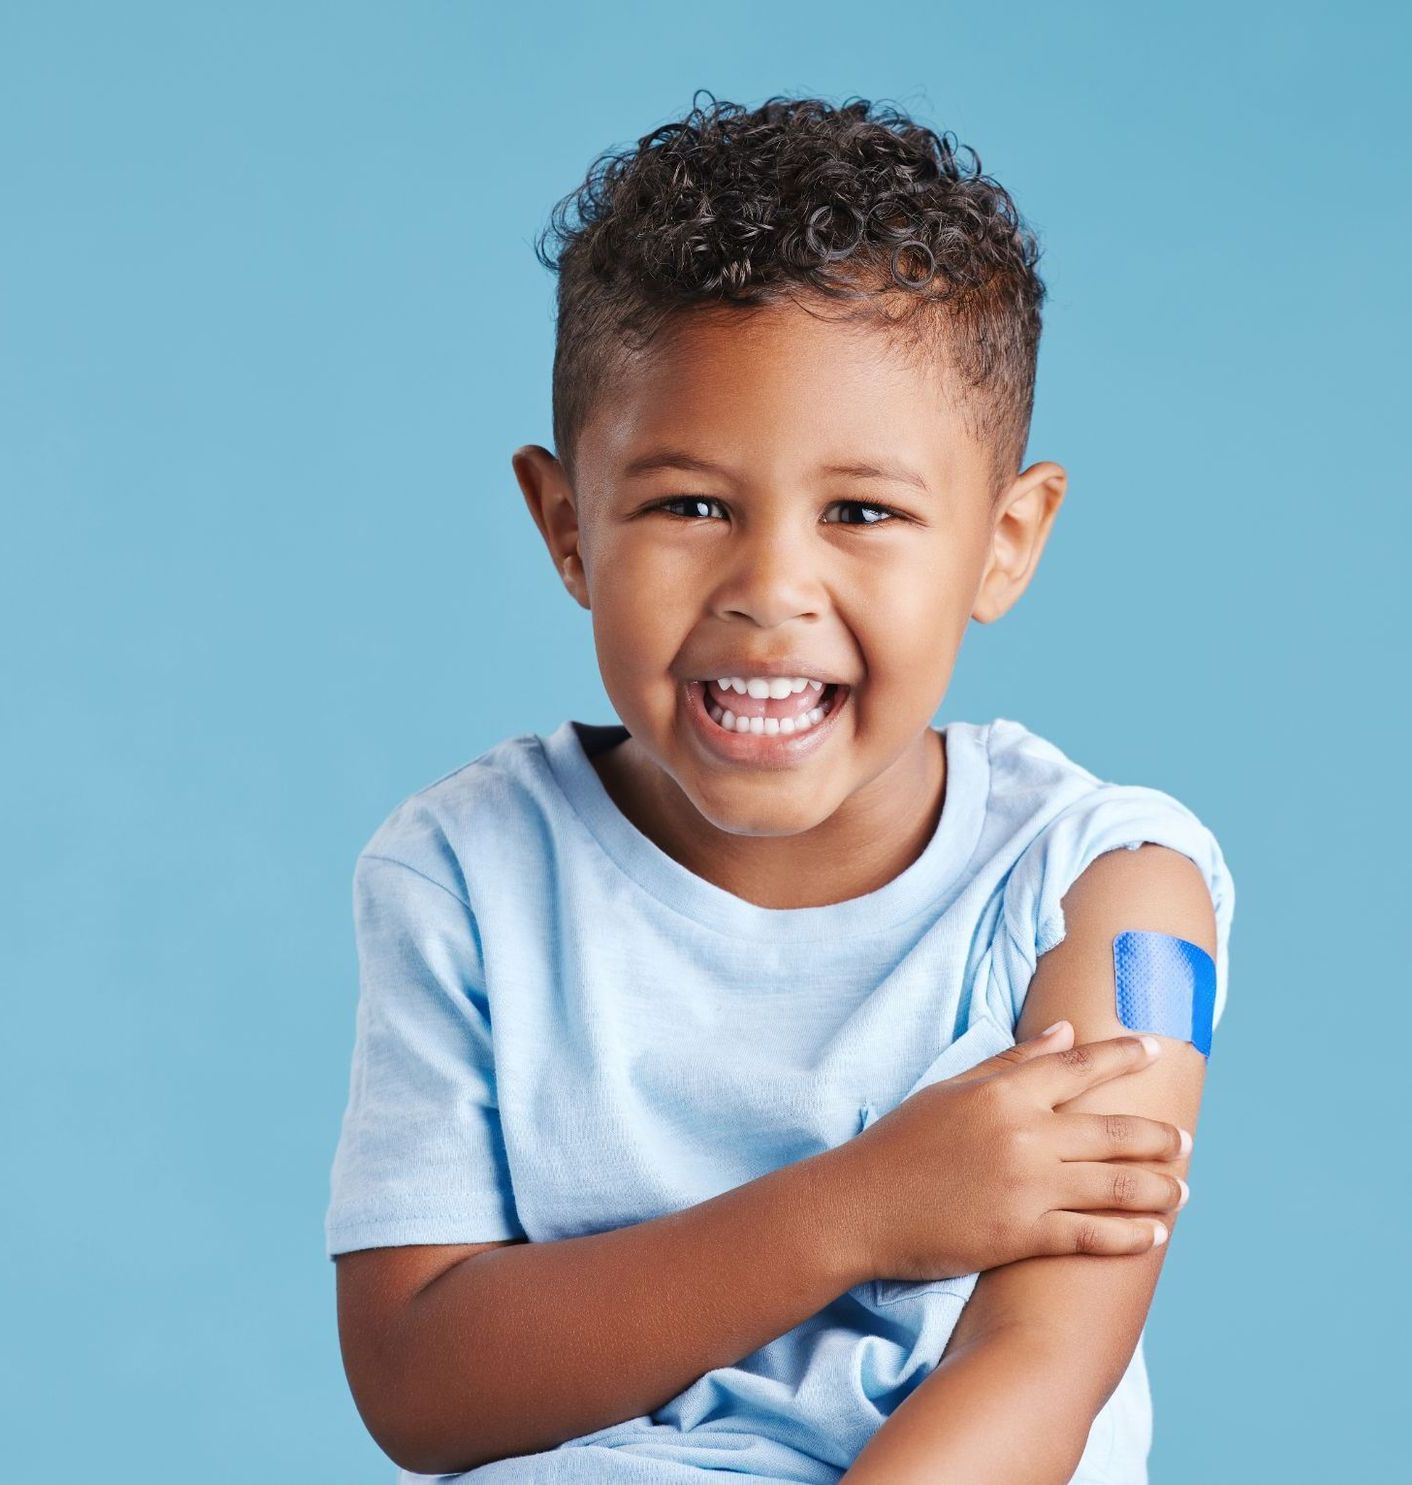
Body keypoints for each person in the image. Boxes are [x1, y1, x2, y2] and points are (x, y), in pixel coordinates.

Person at [324, 91, 1236, 1484]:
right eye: (691, 504)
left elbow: (1043, 1365)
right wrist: (859, 1211)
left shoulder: (1109, 892)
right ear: (569, 527)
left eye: (861, 512)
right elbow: (418, 1380)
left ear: (1006, 540)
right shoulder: (462, 873)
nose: (768, 591)